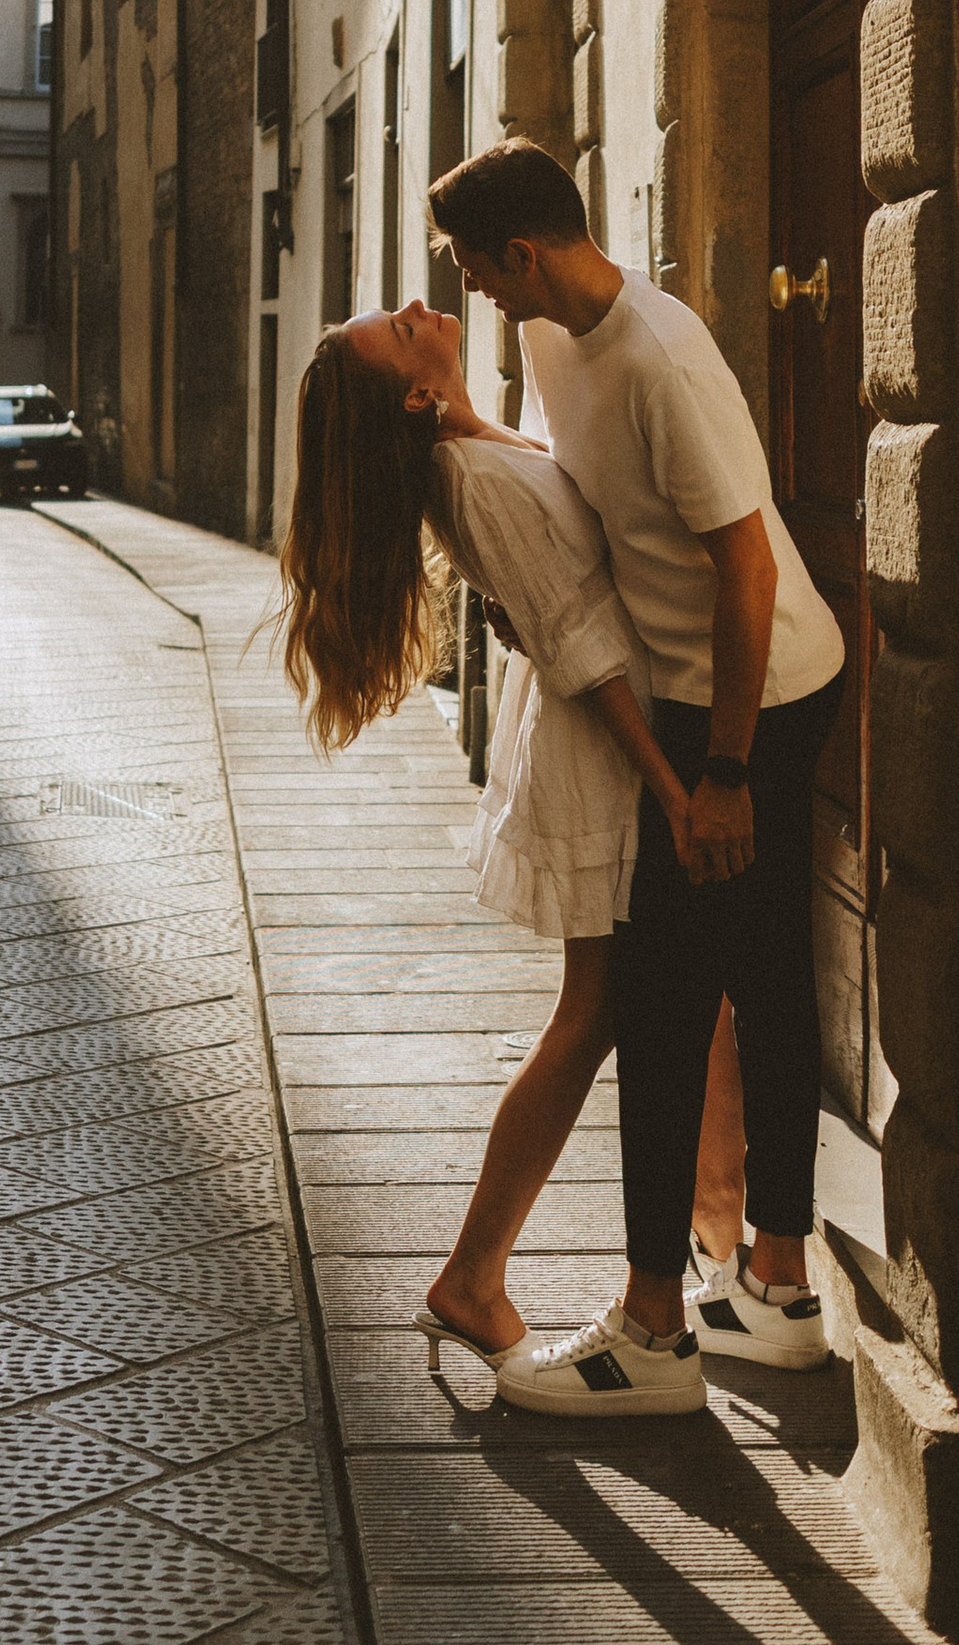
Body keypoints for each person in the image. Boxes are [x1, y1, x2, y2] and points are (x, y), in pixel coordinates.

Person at [428, 138, 845, 1406]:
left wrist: (718, 770)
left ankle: (654, 1332)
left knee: (661, 1005)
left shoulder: (659, 357)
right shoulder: (553, 338)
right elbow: (580, 487)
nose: (473, 294)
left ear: (523, 252)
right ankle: (775, 1287)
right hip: (708, 701)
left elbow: (748, 570)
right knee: (768, 976)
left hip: (754, 701)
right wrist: (468, 429)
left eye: (473, 270)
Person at [277, 299, 722, 1414]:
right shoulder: (468, 477)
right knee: (599, 1006)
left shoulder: (473, 443)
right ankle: (477, 1275)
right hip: (601, 751)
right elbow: (582, 644)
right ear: (413, 394)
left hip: (603, 740)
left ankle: (713, 1224)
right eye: (398, 326)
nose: (421, 307)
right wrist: (671, 784)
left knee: (643, 998)